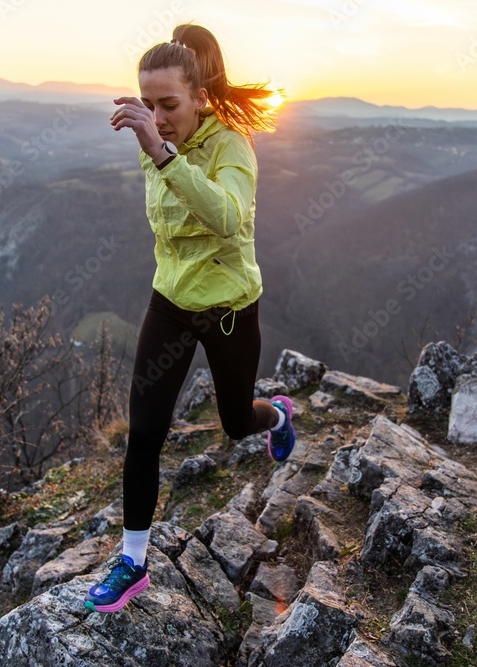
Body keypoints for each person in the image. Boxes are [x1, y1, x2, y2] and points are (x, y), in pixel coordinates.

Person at [83, 24, 296, 614]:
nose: (157, 116)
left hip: (229, 311)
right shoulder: (157, 139)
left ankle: (277, 415)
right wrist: (159, 146)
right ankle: (132, 563)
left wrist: (161, 151)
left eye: (169, 104)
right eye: (147, 105)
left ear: (200, 95)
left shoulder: (232, 146)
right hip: (170, 305)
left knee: (234, 422)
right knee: (144, 433)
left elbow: (226, 217)